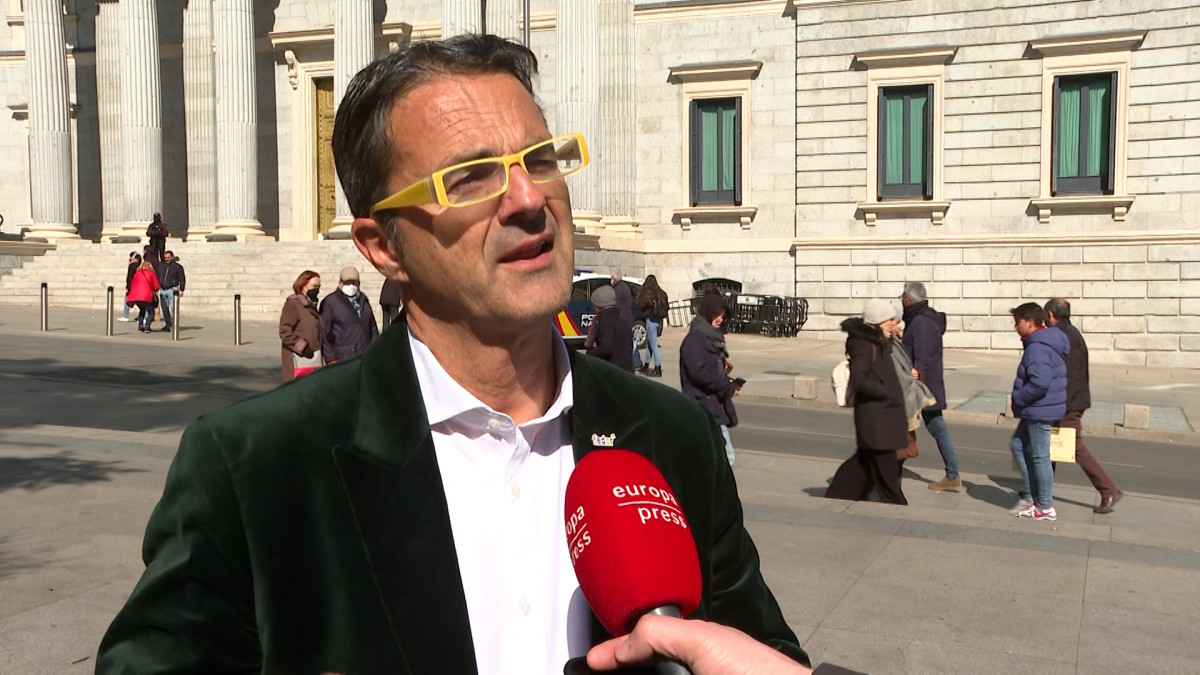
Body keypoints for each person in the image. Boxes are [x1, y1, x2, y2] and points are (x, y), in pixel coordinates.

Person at [97, 35, 807, 673]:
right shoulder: (253, 465)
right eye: (470, 178)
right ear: (381, 246)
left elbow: (757, 650)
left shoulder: (670, 436)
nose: (529, 199)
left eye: (538, 159)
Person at [825, 299, 908, 505]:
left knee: (863, 461)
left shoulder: (878, 340)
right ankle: (898, 506)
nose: (893, 323)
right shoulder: (864, 343)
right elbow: (860, 379)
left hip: (882, 415)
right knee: (887, 472)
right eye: (889, 319)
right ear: (878, 320)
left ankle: (836, 494)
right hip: (876, 417)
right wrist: (885, 392)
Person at [1045, 298, 1122, 513]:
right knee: (1050, 444)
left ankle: (1108, 489)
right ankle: (1041, 489)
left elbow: (1065, 374)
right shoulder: (1073, 333)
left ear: (1051, 314)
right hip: (1072, 399)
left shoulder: (1061, 336)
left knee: (1074, 447)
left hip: (1068, 401)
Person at [1008, 302, 1069, 522]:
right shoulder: (1044, 341)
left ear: (1030, 323)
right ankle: (1033, 496)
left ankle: (1044, 505)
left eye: (1018, 323)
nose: (1015, 327)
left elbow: (1040, 383)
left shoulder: (1037, 347)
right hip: (1042, 406)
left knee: (1041, 455)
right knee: (1017, 444)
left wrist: (1019, 398)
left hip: (1040, 408)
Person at [900, 281, 962, 492]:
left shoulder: (920, 322)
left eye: (902, 298)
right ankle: (952, 474)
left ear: (907, 300)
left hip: (922, 388)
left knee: (920, 428)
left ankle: (952, 475)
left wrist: (916, 376)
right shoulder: (924, 318)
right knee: (935, 428)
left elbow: (923, 356)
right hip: (926, 386)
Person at [680, 294, 742, 467]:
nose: (721, 319)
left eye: (723, 315)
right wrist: (725, 386)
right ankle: (714, 491)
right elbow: (699, 374)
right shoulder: (695, 339)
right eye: (717, 314)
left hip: (712, 406)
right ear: (708, 313)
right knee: (725, 457)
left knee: (718, 457)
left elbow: (710, 372)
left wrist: (728, 383)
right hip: (703, 406)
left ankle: (712, 490)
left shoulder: (710, 337)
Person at [320, 265, 380, 364]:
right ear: (340, 284)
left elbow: (373, 328)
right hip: (342, 357)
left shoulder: (363, 300)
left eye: (354, 283)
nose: (351, 286)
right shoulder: (330, 302)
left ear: (359, 283)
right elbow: (324, 332)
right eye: (347, 283)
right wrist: (330, 358)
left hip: (364, 355)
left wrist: (374, 350)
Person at [278, 270, 323, 382]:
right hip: (297, 359)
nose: (317, 289)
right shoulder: (294, 304)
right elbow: (284, 331)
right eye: (314, 286)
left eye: (319, 286)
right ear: (303, 285)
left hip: (312, 359)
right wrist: (302, 346)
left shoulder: (311, 304)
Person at [585, 284, 633, 371]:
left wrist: (590, 353)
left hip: (614, 371)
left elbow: (606, 349)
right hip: (627, 370)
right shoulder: (622, 319)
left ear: (599, 305)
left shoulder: (604, 320)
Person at [635, 274, 669, 377]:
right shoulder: (662, 293)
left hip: (651, 320)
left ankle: (658, 367)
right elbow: (667, 307)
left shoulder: (647, 293)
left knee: (653, 344)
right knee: (649, 343)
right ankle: (646, 365)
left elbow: (639, 304)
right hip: (660, 320)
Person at [611, 268, 643, 371]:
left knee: (628, 342)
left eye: (612, 278)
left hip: (622, 318)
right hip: (626, 317)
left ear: (615, 279)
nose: (611, 280)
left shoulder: (619, 289)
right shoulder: (624, 287)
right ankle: (635, 362)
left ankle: (636, 362)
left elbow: (616, 304)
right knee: (629, 341)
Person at [125, 259, 161, 334]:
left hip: (136, 297)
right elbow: (156, 286)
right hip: (146, 296)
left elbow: (132, 285)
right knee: (151, 312)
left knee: (142, 310)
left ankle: (140, 326)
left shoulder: (136, 274)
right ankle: (147, 326)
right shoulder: (151, 274)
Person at [156, 250, 185, 332]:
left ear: (172, 257)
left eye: (168, 257)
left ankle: (174, 324)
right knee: (164, 308)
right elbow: (158, 276)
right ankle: (168, 323)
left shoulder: (178, 267)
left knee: (173, 308)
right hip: (162, 289)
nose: (167, 259)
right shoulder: (161, 266)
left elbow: (182, 279)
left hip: (172, 289)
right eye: (165, 258)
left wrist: (181, 289)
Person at [117, 252, 140, 322]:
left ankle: (125, 315)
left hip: (132, 286)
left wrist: (128, 287)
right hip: (138, 286)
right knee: (140, 302)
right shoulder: (140, 265)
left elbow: (130, 277)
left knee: (127, 300)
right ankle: (143, 316)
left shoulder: (132, 266)